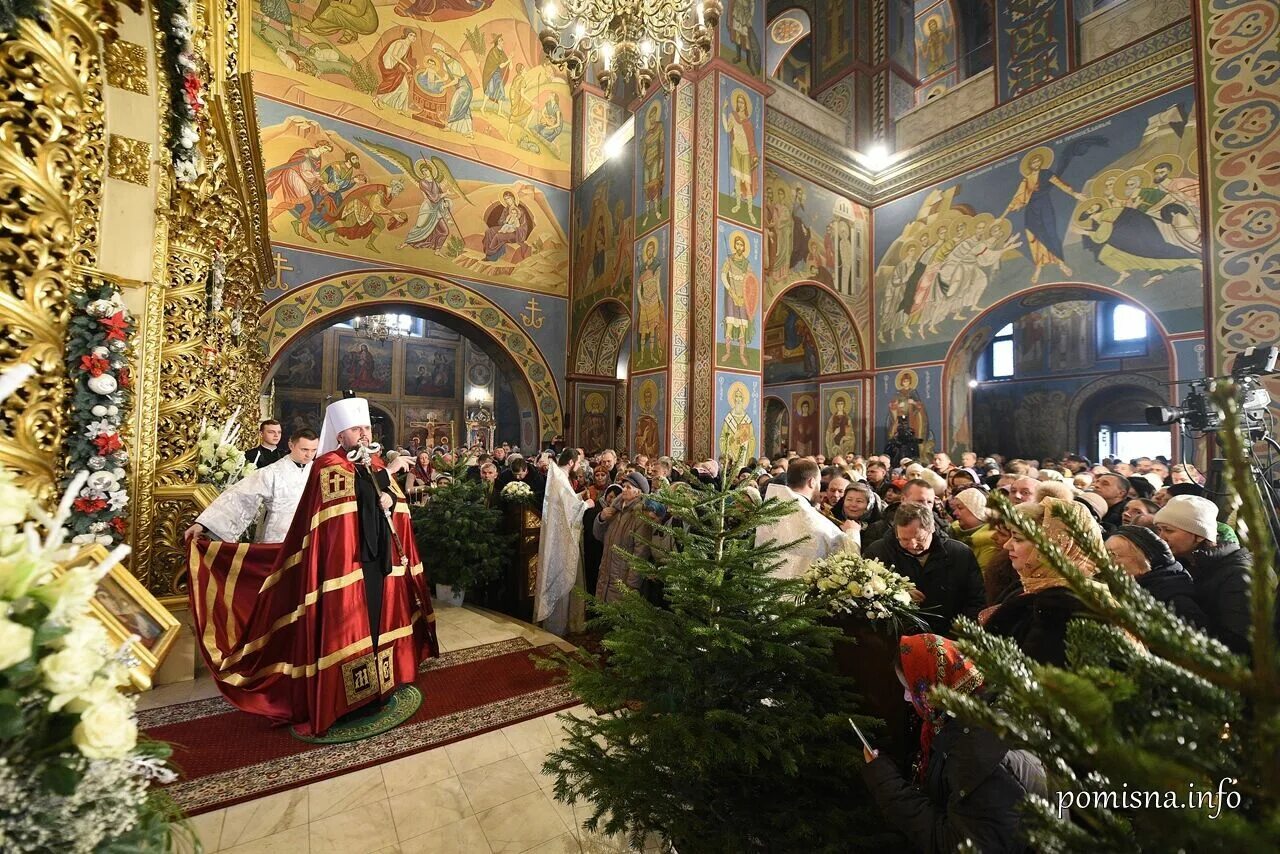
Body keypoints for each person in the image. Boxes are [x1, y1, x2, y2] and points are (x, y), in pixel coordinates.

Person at [187, 398, 437, 736]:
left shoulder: (371, 463)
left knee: (377, 621)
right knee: (335, 627)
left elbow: (390, 502)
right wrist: (205, 526)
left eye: (366, 428)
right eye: (355, 429)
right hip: (325, 562)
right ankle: (344, 697)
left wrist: (389, 497)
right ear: (339, 434)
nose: (363, 435)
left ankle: (378, 685)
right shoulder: (326, 466)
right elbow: (248, 497)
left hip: (371, 561)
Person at [861, 634, 1047, 853]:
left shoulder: (979, 755)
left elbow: (956, 845)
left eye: (911, 689)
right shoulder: (959, 718)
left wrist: (886, 784)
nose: (906, 698)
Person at [985, 498, 1101, 666]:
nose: (1007, 546)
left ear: (1053, 545)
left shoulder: (1063, 606)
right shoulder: (1033, 585)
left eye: (1017, 538)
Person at [864, 503, 985, 637]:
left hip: (949, 637)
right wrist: (896, 594)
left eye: (920, 538)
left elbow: (976, 600)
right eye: (904, 539)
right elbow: (865, 597)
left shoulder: (960, 554)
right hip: (896, 638)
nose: (912, 545)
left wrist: (958, 634)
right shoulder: (878, 552)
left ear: (932, 528)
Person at [1154, 495, 1252, 655]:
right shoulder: (1187, 563)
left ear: (1199, 534)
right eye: (1159, 530)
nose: (1161, 537)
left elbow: (1238, 644)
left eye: (1169, 530)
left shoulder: (1238, 575)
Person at [186, 429, 320, 544]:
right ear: (291, 445)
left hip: (313, 535)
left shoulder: (319, 470)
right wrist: (203, 525)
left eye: (313, 450)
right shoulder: (272, 472)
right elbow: (240, 498)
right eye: (304, 449)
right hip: (278, 538)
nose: (309, 455)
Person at [755, 459, 857, 579]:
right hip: (799, 594)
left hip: (764, 588)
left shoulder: (771, 509)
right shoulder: (813, 519)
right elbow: (848, 557)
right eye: (819, 482)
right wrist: (853, 532)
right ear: (812, 482)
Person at [535, 448, 593, 635]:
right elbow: (570, 511)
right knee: (560, 576)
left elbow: (564, 505)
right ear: (571, 462)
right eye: (577, 463)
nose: (578, 466)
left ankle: (559, 623)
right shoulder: (560, 479)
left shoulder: (557, 477)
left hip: (558, 536)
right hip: (561, 541)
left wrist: (578, 497)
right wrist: (586, 504)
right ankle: (557, 626)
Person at [1106, 526, 1209, 628]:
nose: (1103, 559)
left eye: (1112, 555)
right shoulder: (1130, 586)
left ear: (1143, 562)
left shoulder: (1177, 604)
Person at [593, 472, 655, 603]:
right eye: (624, 486)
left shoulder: (641, 516)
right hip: (606, 574)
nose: (624, 490)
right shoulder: (615, 509)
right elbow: (599, 536)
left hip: (623, 579)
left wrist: (632, 586)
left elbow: (640, 553)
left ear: (638, 492)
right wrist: (601, 518)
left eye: (628, 487)